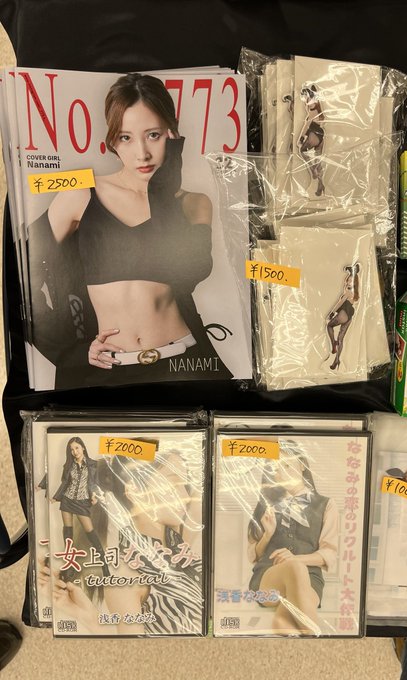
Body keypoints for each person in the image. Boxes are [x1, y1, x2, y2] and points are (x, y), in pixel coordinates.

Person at [37, 72, 232, 388]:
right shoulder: (79, 190)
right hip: (105, 370)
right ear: (112, 140)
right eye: (125, 137)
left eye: (153, 135)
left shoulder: (194, 203)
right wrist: (70, 352)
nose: (142, 153)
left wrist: (165, 183)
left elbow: (188, 272)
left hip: (184, 363)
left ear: (172, 133)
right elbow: (24, 271)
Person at [47, 449, 204, 636]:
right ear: (135, 491)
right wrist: (89, 618)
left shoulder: (175, 545)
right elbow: (131, 645)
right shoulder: (128, 574)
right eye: (173, 482)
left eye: (184, 484)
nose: (186, 495)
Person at [247, 441, 338, 635]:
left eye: (287, 465)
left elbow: (329, 554)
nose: (282, 472)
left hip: (311, 579)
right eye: (276, 469)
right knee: (295, 569)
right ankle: (315, 642)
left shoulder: (327, 505)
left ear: (302, 465)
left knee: (285, 620)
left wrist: (296, 559)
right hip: (268, 577)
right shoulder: (266, 505)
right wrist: (268, 534)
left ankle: (285, 629)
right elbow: (253, 556)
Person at [51, 437, 108, 578]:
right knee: (68, 532)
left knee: (90, 532)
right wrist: (56, 497)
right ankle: (69, 565)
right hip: (67, 500)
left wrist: (94, 495)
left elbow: (94, 483)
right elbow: (65, 483)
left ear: (83, 447)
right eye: (71, 450)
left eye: (77, 448)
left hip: (82, 501)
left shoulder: (93, 464)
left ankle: (104, 564)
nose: (75, 452)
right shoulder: (68, 465)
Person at [326, 264, 360, 370]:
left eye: (350, 281)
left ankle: (333, 343)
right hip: (349, 317)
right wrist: (350, 273)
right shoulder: (355, 293)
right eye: (348, 280)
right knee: (341, 338)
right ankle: (337, 360)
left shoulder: (348, 292)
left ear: (354, 282)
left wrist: (332, 312)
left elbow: (340, 302)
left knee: (329, 326)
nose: (348, 282)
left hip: (343, 314)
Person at [297, 83, 325, 196]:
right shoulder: (319, 111)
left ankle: (313, 169)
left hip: (314, 134)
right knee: (319, 161)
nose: (307, 102)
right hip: (320, 136)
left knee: (302, 150)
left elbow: (307, 126)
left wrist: (301, 138)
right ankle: (320, 185)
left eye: (308, 100)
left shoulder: (312, 112)